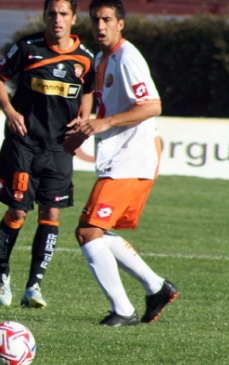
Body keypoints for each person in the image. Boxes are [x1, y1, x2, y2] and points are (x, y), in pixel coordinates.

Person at [62, 0, 178, 326]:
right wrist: (84, 132)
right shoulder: (102, 58)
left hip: (132, 159)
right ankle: (156, 288)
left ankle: (124, 310)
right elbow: (107, 111)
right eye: (96, 19)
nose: (101, 26)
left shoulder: (128, 57)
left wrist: (104, 124)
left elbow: (152, 105)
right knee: (96, 230)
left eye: (107, 19)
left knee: (87, 231)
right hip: (119, 159)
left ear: (120, 23)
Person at [0, 0, 95, 308]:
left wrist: (84, 117)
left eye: (63, 14)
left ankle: (33, 286)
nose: (57, 19)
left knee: (51, 213)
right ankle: (2, 270)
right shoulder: (27, 47)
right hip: (24, 142)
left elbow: (88, 90)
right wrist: (9, 110)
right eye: (52, 13)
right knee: (18, 211)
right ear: (44, 16)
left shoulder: (85, 58)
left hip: (60, 147)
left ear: (73, 18)